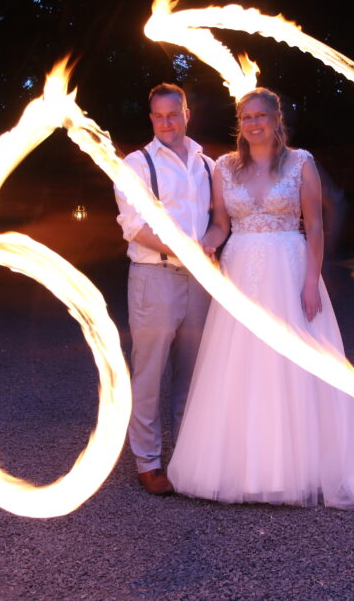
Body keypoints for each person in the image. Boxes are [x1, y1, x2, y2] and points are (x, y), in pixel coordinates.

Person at [167, 88, 354, 508]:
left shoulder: (300, 163)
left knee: (293, 364)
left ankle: (301, 463)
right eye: (246, 117)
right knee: (241, 364)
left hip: (288, 271)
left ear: (276, 120)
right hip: (241, 275)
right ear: (240, 123)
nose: (253, 123)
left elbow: (317, 227)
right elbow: (220, 223)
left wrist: (311, 282)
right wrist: (206, 245)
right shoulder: (224, 167)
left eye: (260, 116)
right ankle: (244, 465)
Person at [114, 83, 214, 496]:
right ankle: (148, 462)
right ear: (150, 118)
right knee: (149, 373)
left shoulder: (208, 164)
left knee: (193, 374)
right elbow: (134, 225)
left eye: (173, 114)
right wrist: (184, 251)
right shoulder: (135, 164)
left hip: (200, 282)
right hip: (155, 278)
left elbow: (217, 218)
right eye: (158, 116)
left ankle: (186, 457)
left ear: (187, 113)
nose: (166, 122)